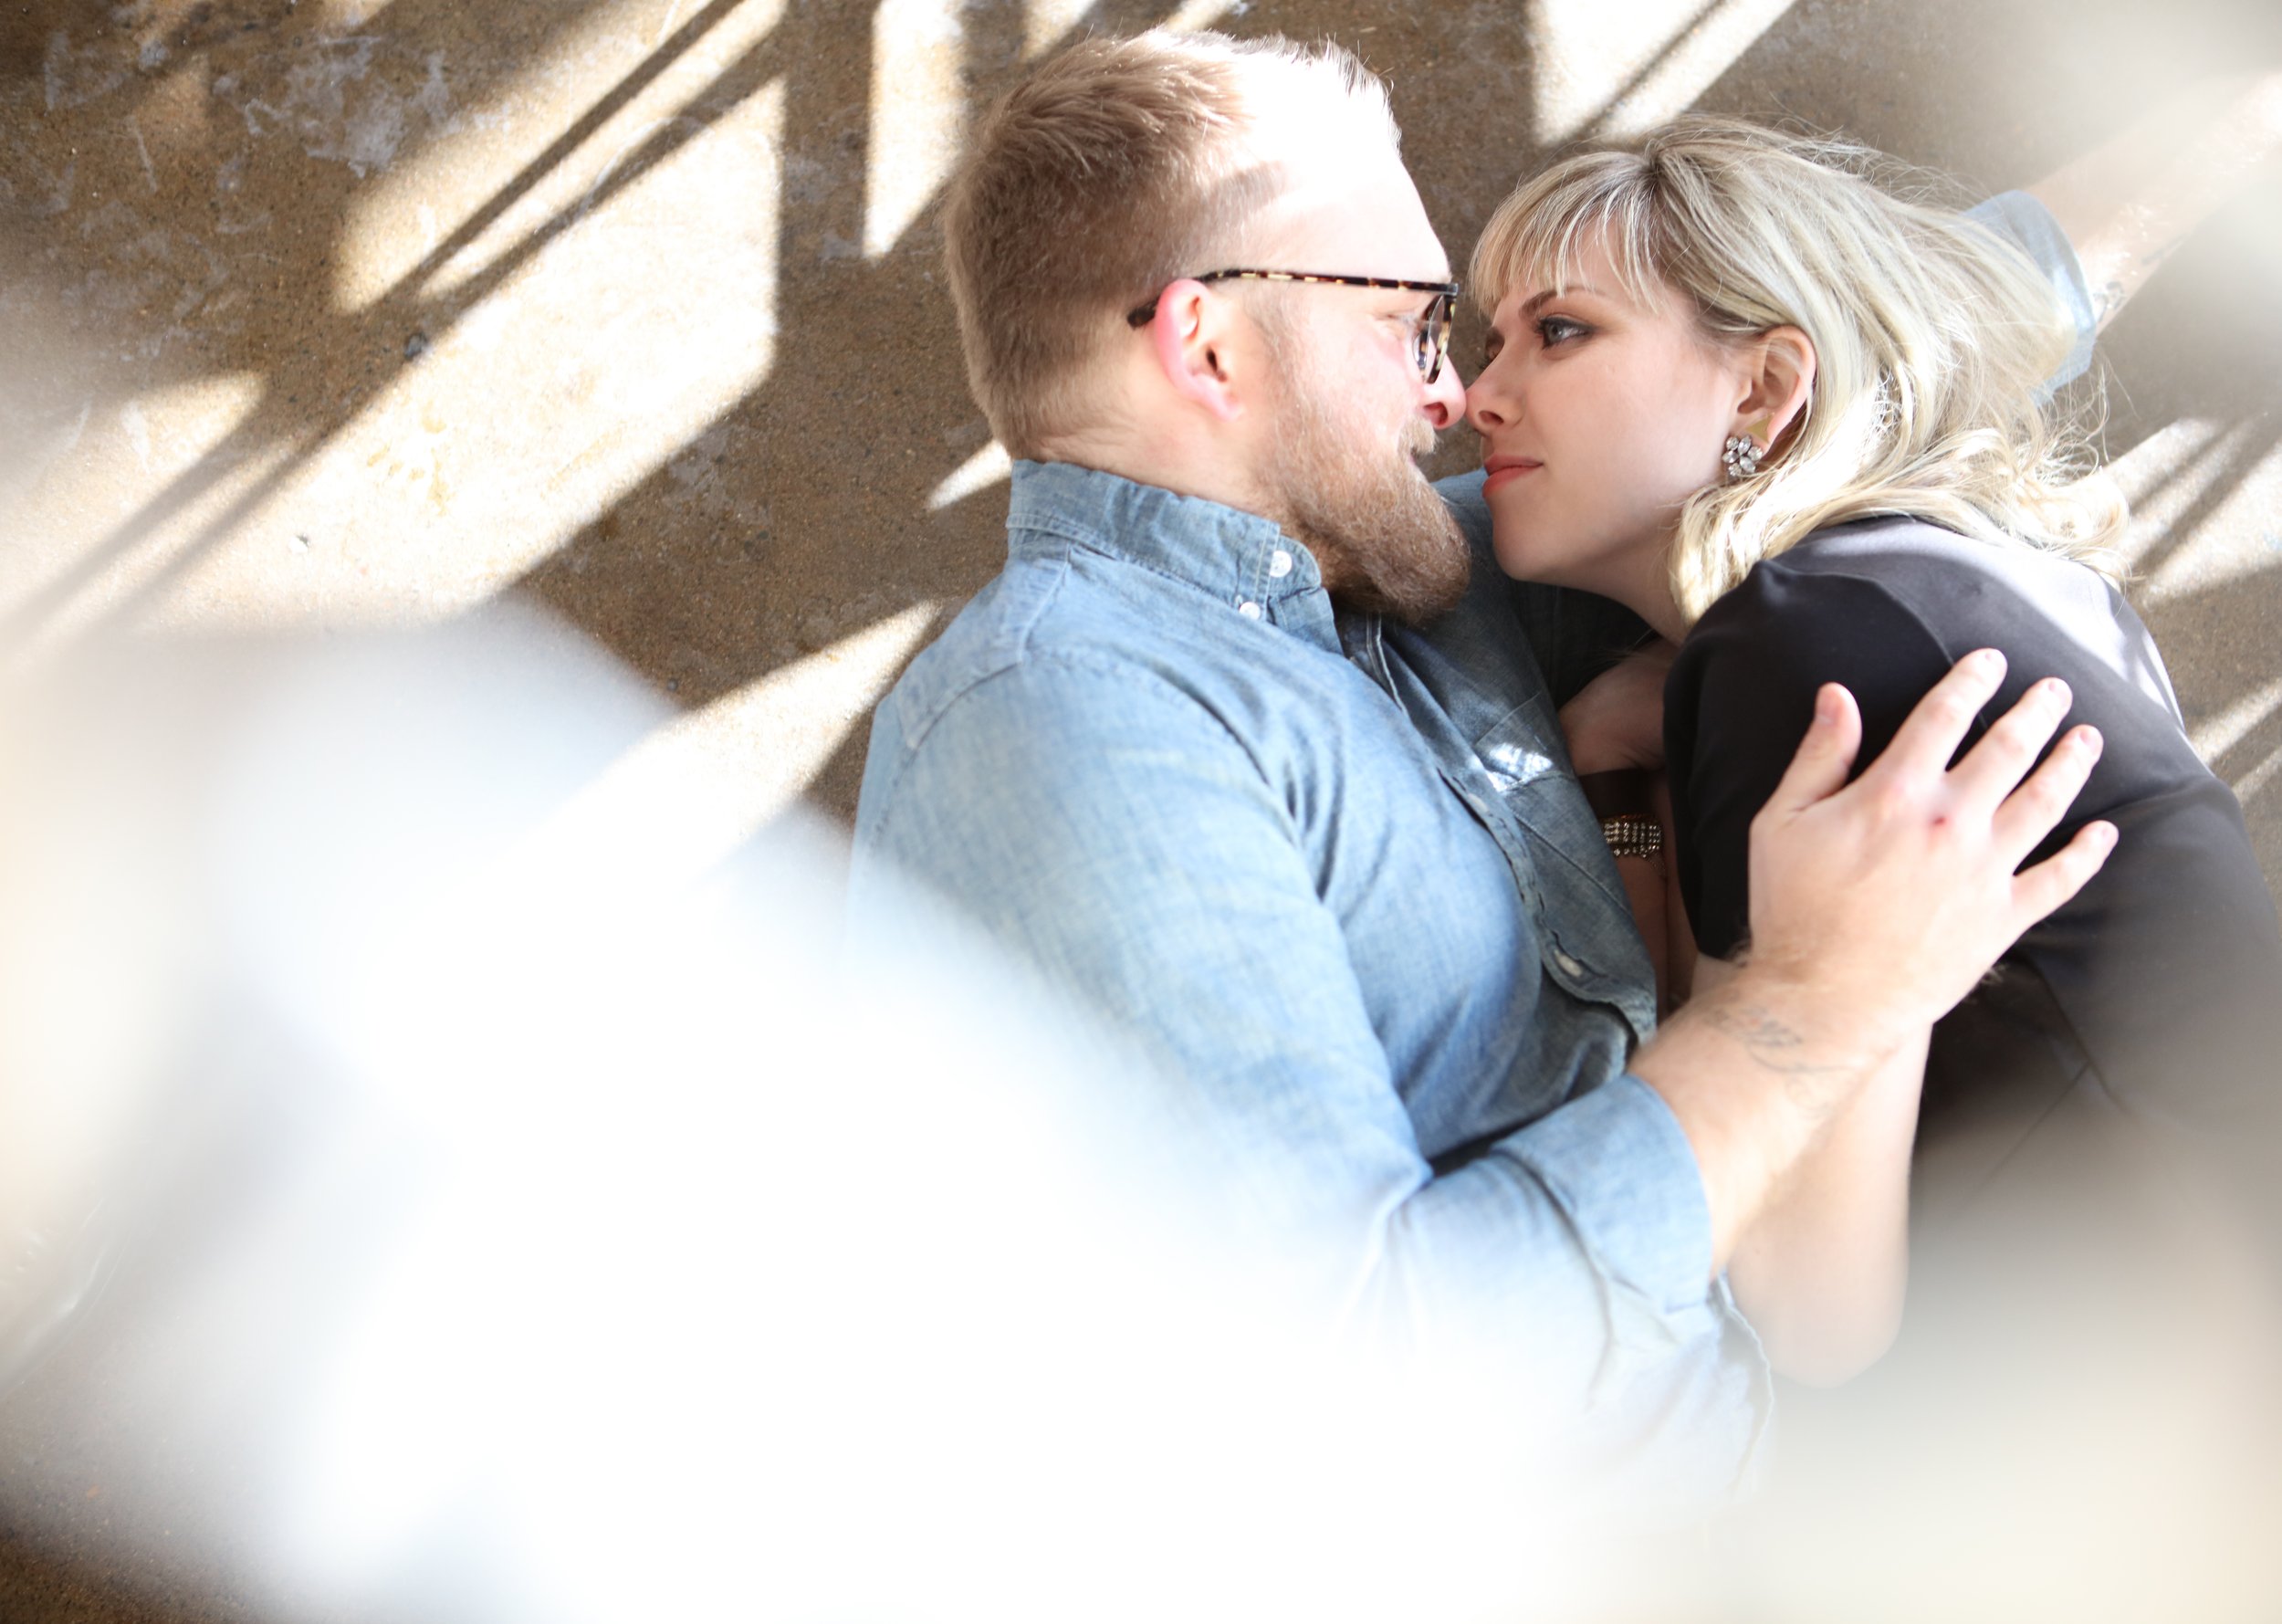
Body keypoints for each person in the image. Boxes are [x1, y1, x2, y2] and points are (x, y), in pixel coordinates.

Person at [845, 28, 2110, 1482]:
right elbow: (1361, 1389)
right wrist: (1813, 1008)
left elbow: (1822, 358)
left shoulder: (1405, 576)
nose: (1453, 394)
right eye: (1413, 326)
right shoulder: (1063, 716)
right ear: (1210, 346)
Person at [1462, 109, 2282, 1382]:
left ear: (1764, 388)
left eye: (1560, 331)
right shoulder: (1945, 591)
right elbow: (1719, 1026)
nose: (1477, 397)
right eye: (1491, 342)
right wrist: (1611, 767)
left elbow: (1801, 1308)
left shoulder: (1812, 642)